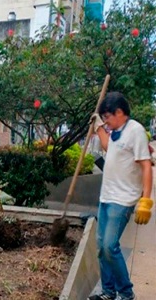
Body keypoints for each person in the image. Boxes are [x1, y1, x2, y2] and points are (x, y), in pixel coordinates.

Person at [89, 92, 153, 300]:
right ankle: (108, 292)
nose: (106, 121)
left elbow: (146, 166)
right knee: (101, 247)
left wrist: (146, 200)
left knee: (110, 246)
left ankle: (126, 293)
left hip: (122, 200)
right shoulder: (116, 132)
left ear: (119, 112)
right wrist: (99, 127)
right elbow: (110, 148)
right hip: (106, 197)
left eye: (107, 117)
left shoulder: (135, 131)